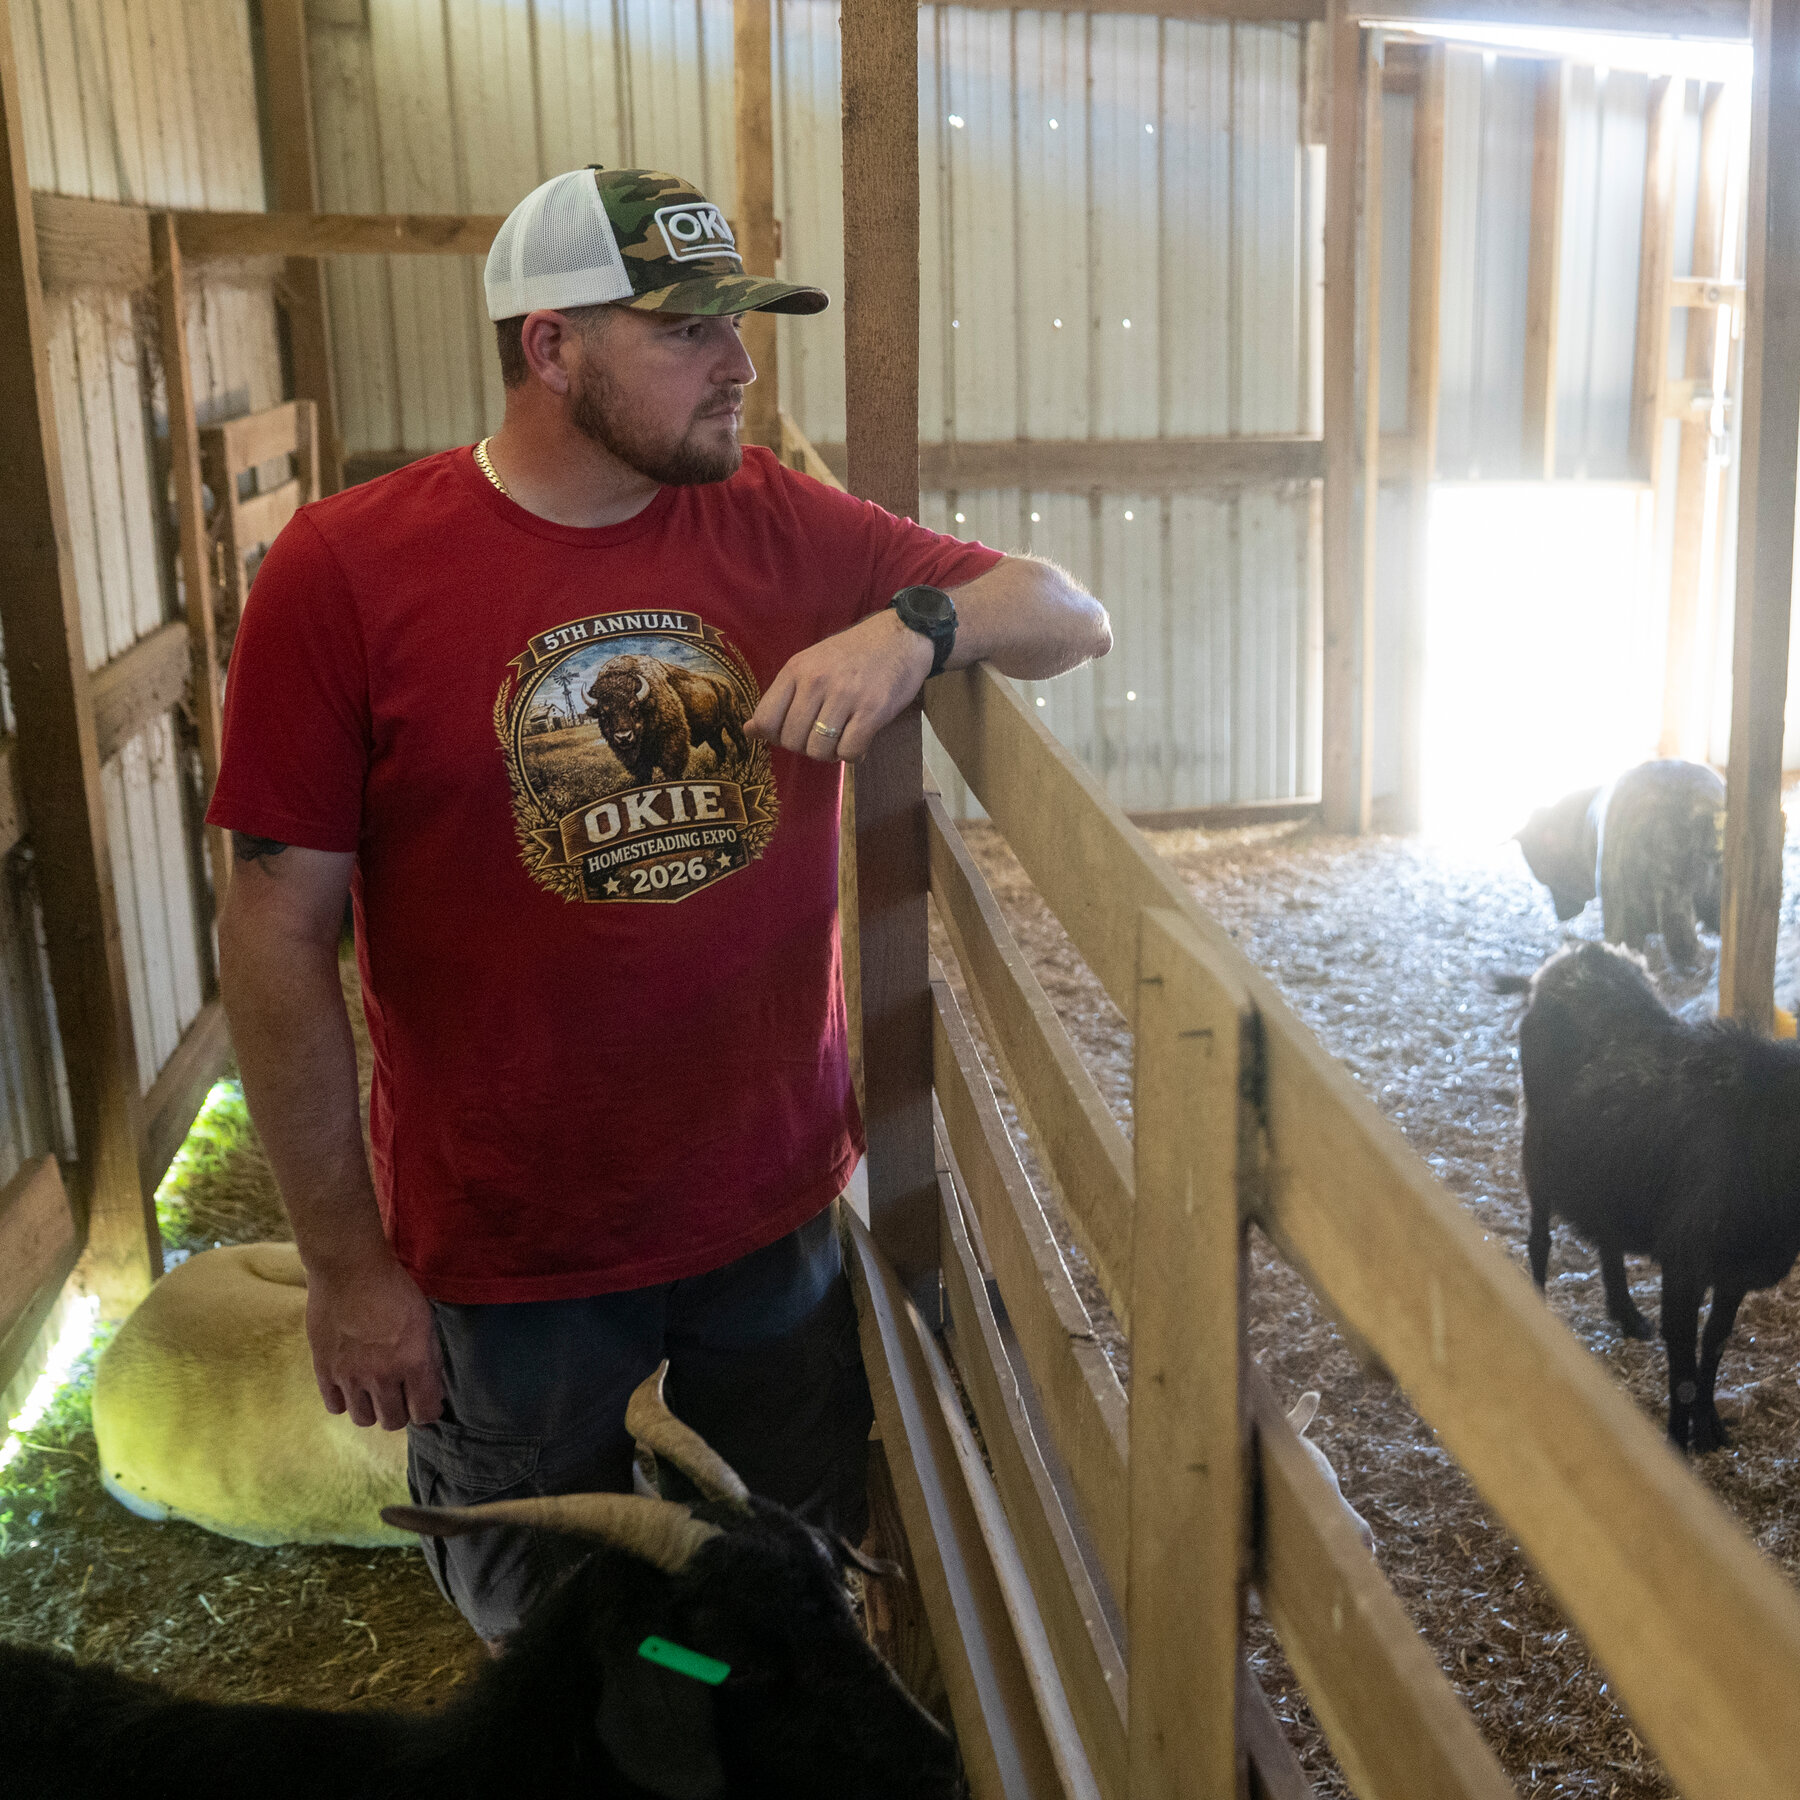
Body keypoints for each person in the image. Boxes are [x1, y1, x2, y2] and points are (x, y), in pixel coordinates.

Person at [208, 165, 1111, 1645]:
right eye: (688, 331)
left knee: (780, 1591)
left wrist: (916, 627)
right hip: (510, 1243)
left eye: (740, 327)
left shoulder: (785, 527)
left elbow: (1069, 611)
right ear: (550, 348)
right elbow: (275, 931)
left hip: (765, 1203)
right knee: (547, 1625)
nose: (739, 365)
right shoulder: (347, 572)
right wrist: (345, 1265)